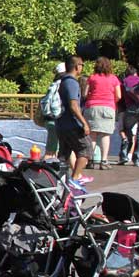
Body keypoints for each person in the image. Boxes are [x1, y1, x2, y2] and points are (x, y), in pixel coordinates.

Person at [56, 55, 93, 184]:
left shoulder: (63, 81)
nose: (82, 67)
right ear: (77, 66)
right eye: (82, 65)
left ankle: (59, 180)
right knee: (86, 150)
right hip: (72, 124)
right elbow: (74, 105)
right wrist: (84, 123)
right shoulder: (72, 83)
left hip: (61, 124)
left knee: (64, 155)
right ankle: (76, 178)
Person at [83, 56, 121, 170]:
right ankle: (104, 161)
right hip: (108, 107)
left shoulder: (92, 78)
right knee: (105, 135)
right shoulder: (114, 79)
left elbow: (85, 94)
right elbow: (118, 95)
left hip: (92, 107)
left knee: (92, 135)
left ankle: (90, 160)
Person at [40, 62, 67, 160]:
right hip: (56, 119)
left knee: (52, 148)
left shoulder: (54, 85)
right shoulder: (62, 85)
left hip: (50, 118)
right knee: (51, 151)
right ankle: (43, 170)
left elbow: (45, 101)